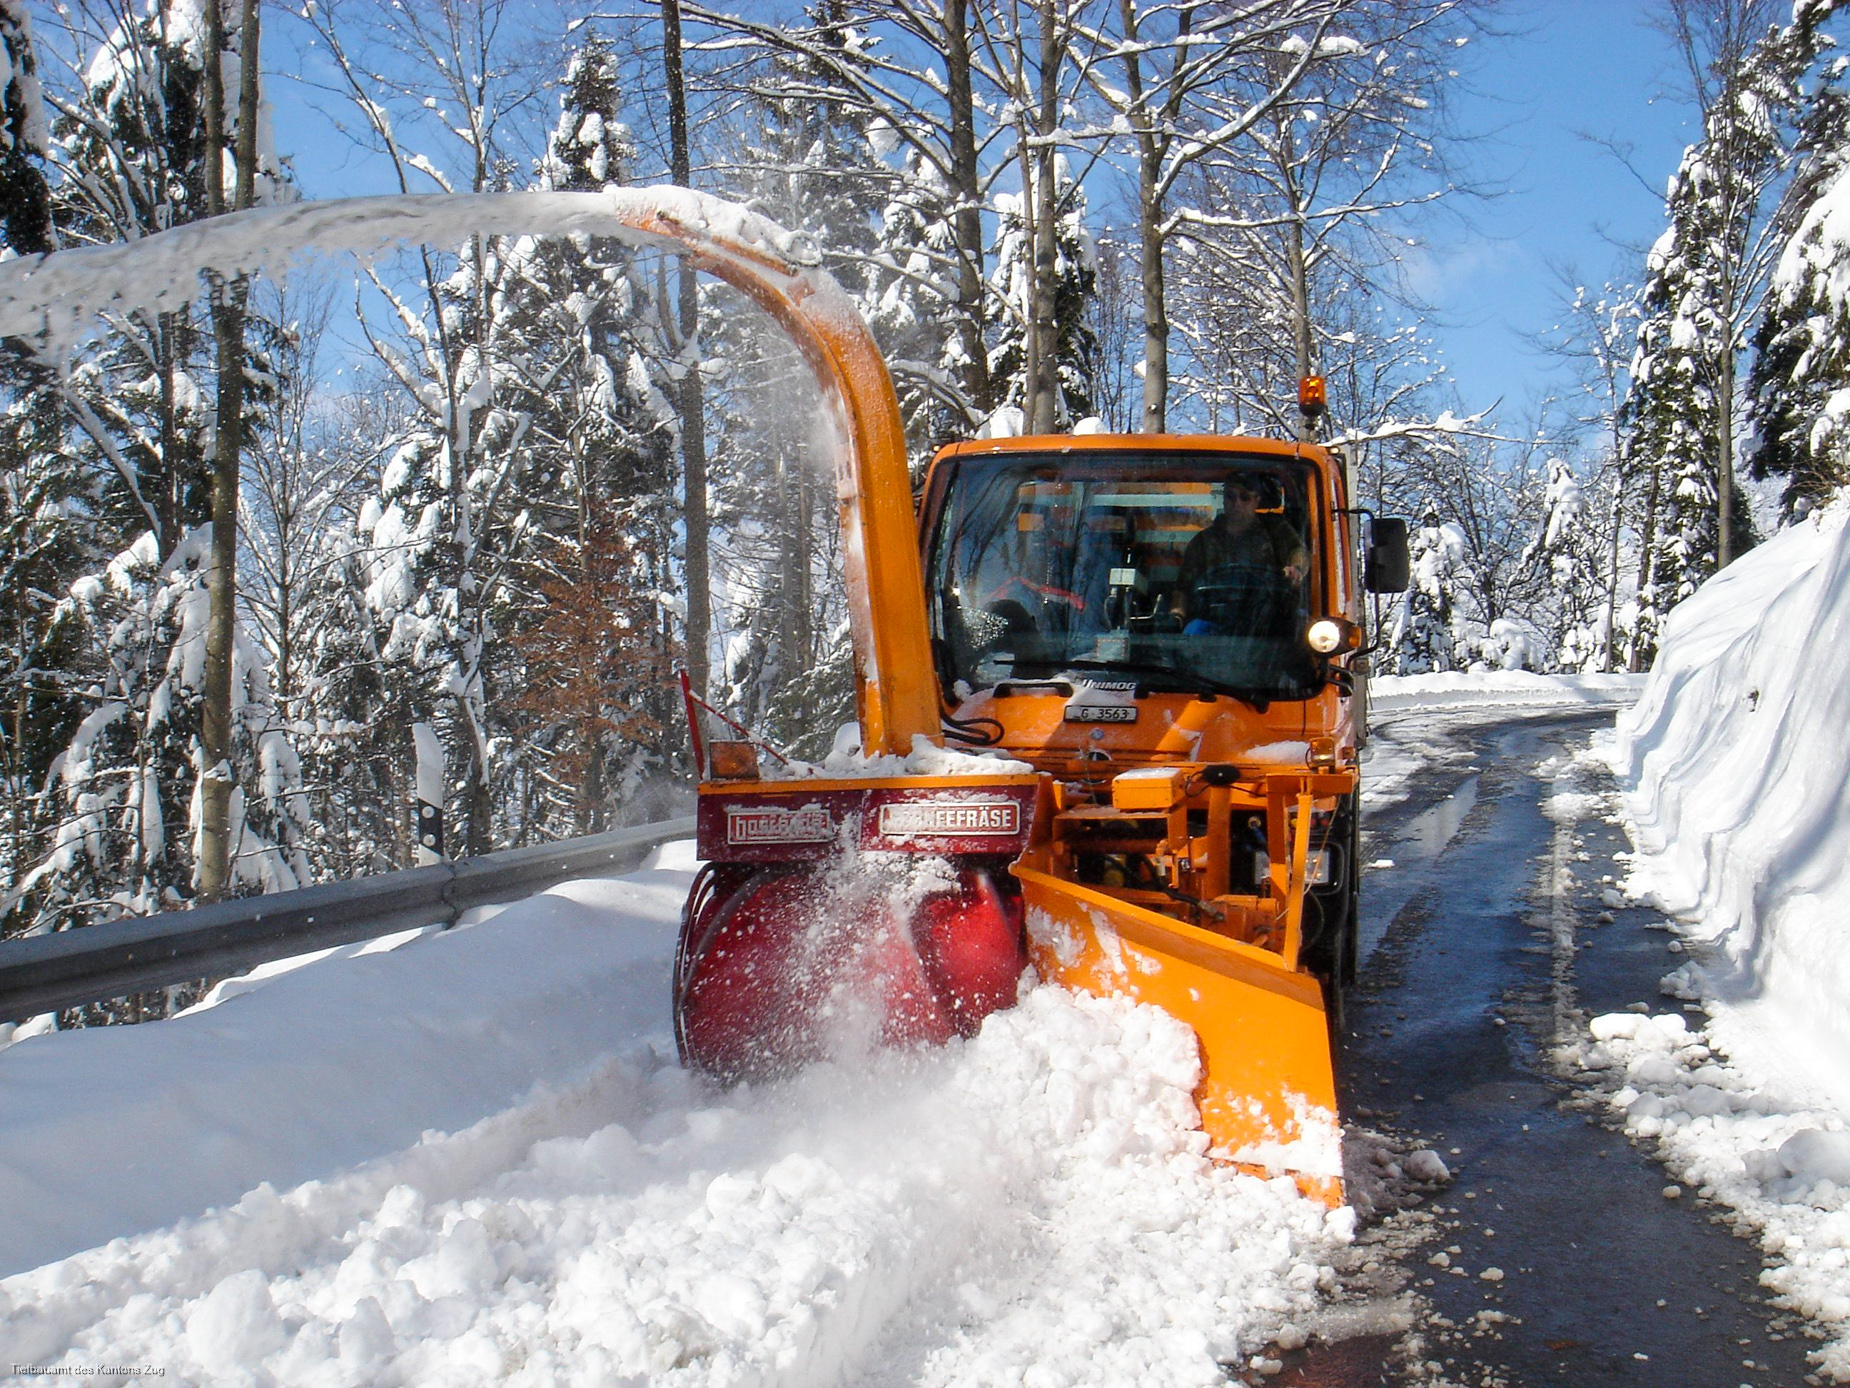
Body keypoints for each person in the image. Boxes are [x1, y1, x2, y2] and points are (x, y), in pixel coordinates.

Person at [1174, 475, 1309, 632]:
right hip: (1215, 619)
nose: (1236, 503)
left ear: (1257, 500)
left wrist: (1296, 569)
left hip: (1268, 619)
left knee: (1301, 627)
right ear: (1224, 500)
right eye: (1230, 496)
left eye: (1245, 497)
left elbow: (1298, 551)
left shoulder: (1276, 531)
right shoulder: (1203, 541)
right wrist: (1176, 616)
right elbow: (1183, 586)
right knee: (1193, 630)